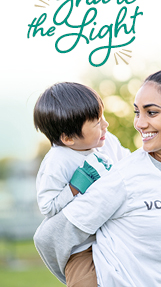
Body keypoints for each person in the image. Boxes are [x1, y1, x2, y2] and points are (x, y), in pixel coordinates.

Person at [34, 68, 161, 287]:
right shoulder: (123, 178)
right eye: (137, 112)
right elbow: (49, 238)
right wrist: (84, 280)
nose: (139, 123)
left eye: (151, 112)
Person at [33, 82, 130, 287]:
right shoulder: (57, 161)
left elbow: (129, 165)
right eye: (96, 122)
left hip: (115, 233)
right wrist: (76, 186)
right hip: (81, 246)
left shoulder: (106, 142)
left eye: (102, 116)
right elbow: (48, 207)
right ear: (68, 138)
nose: (106, 125)